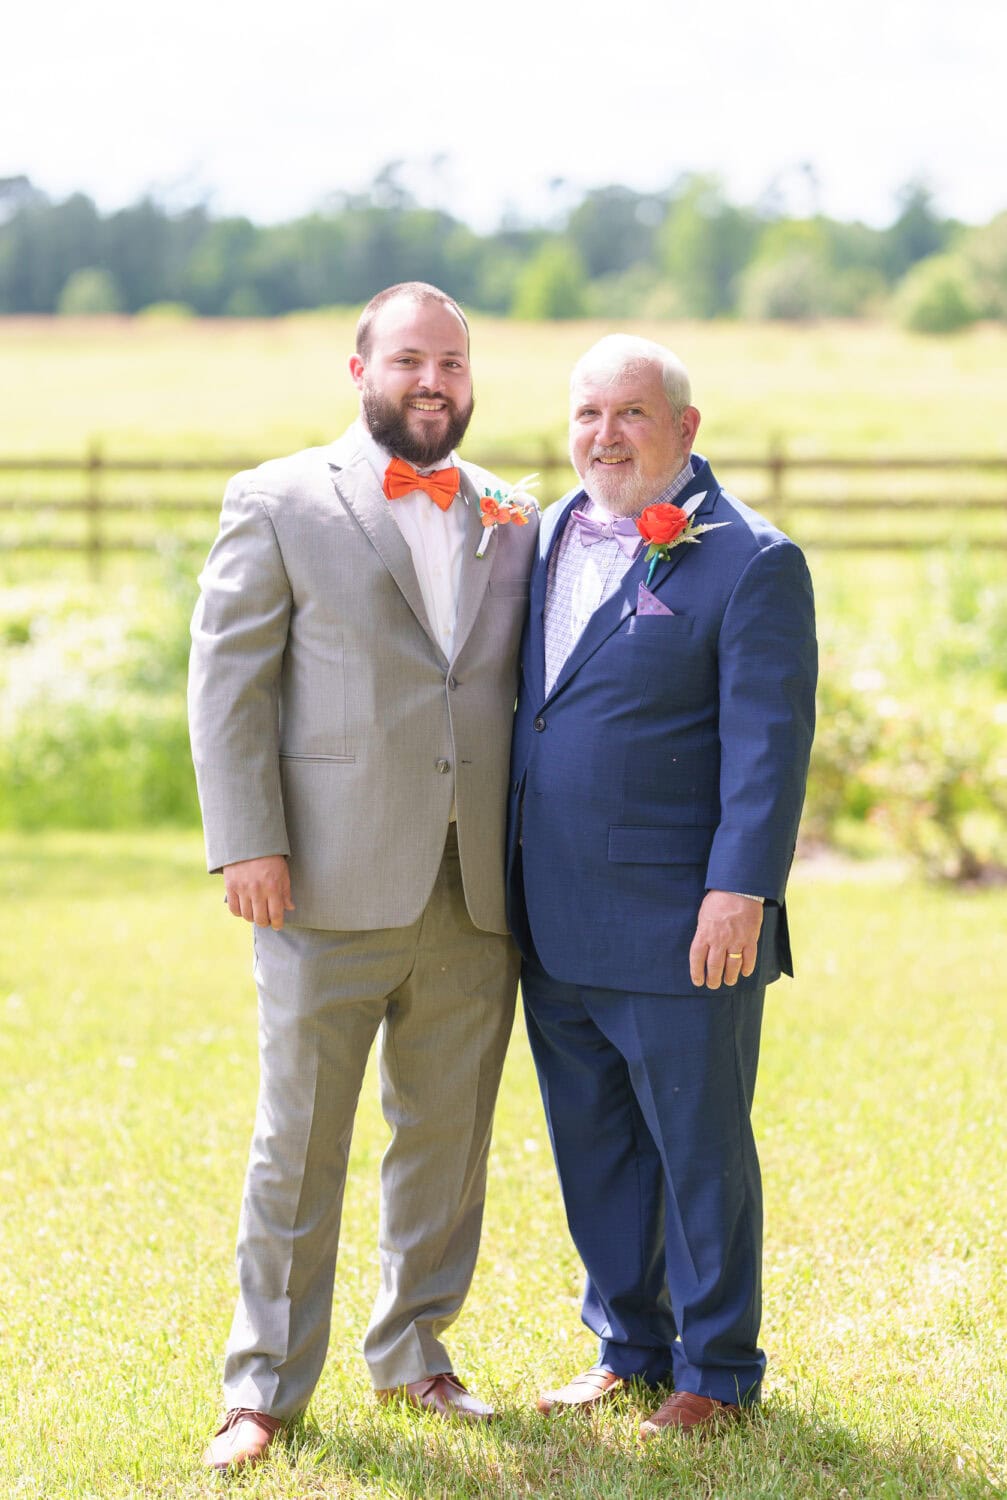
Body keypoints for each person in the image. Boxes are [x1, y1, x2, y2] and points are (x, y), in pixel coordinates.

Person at [188, 282, 538, 1471]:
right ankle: (264, 1389)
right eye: (407, 360)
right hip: (321, 880)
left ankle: (415, 1355)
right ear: (358, 371)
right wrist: (248, 840)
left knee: (443, 1138)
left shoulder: (512, 511)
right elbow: (228, 686)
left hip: (473, 886)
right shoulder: (278, 499)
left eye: (450, 360)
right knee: (298, 1142)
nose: (430, 380)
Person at [505, 335, 817, 1440]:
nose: (605, 436)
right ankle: (626, 1347)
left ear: (684, 429)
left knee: (696, 1150)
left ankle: (717, 1371)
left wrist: (740, 890)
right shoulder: (537, 536)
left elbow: (766, 749)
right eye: (587, 414)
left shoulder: (749, 560)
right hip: (549, 916)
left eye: (631, 413)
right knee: (592, 1145)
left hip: (684, 922)